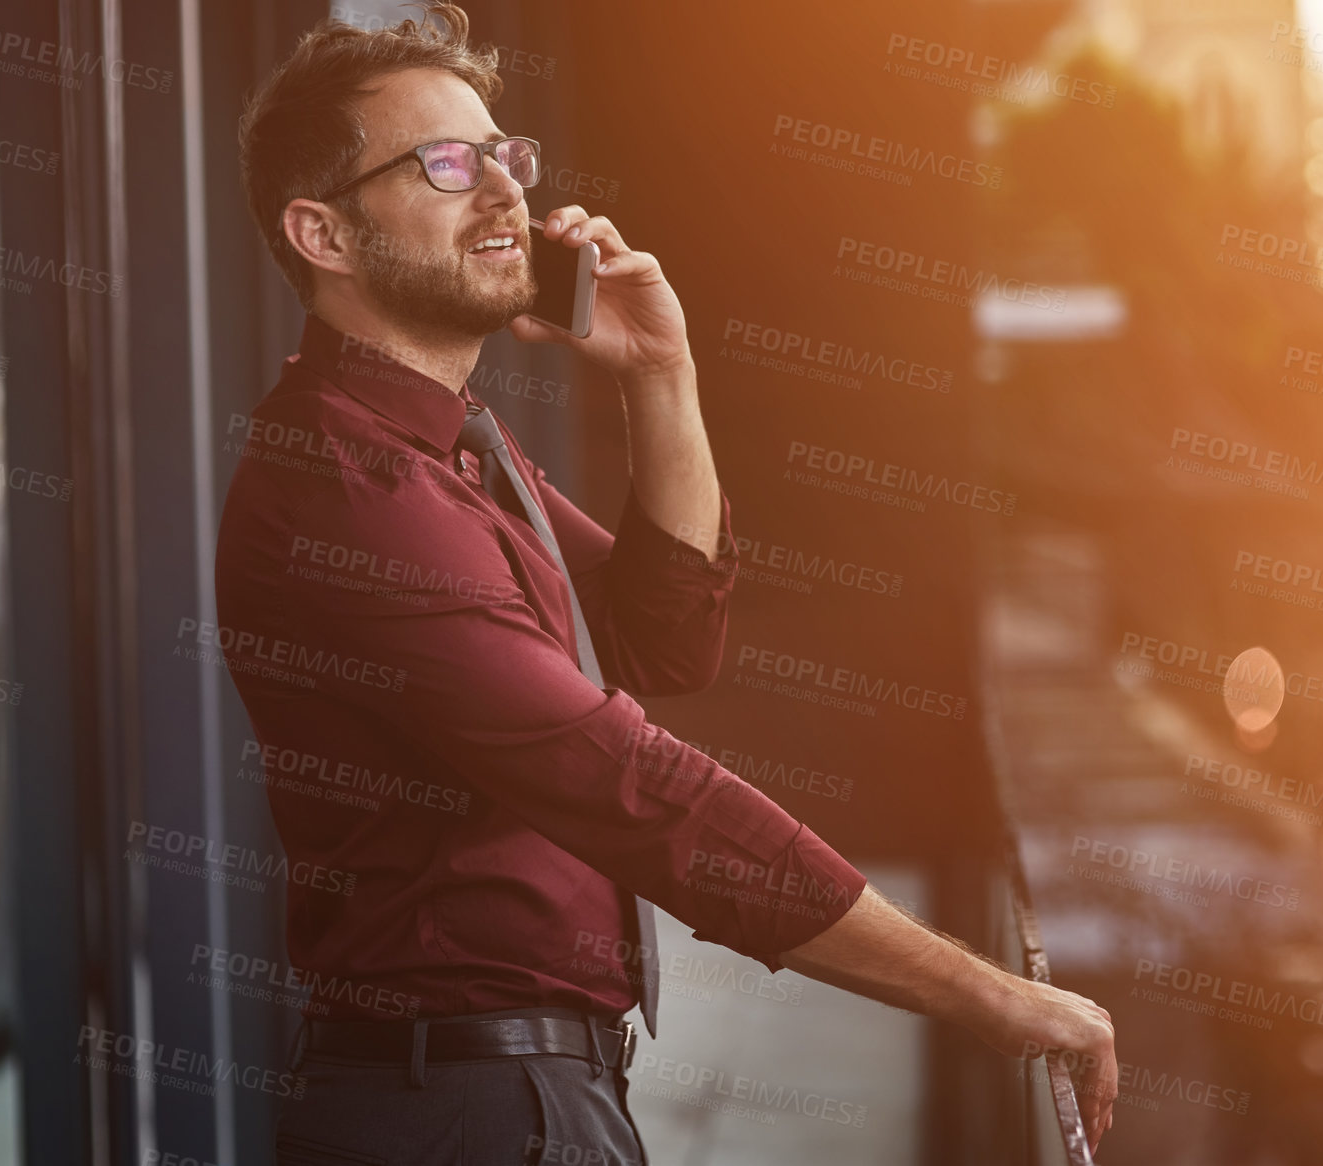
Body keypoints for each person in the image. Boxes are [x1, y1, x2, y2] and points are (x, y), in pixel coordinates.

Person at [218, 5, 1116, 1162]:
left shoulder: (454, 450)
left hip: (516, 1089)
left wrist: (661, 369)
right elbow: (626, 781)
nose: (502, 191)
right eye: (444, 163)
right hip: (462, 1107)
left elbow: (662, 634)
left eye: (505, 154)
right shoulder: (348, 483)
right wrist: (984, 994)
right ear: (323, 234)